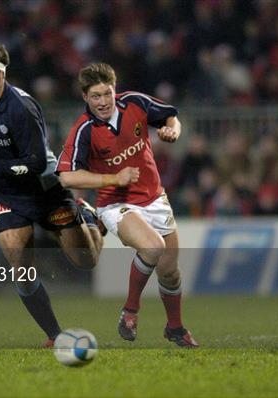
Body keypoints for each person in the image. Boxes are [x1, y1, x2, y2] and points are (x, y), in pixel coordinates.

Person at [0, 41, 103, 347]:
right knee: (21, 269)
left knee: (86, 260)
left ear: (4, 72)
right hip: (7, 194)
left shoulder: (21, 107)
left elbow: (36, 163)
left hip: (45, 189)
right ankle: (54, 335)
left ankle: (88, 215)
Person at [56, 63, 199, 348]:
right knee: (152, 247)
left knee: (170, 271)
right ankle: (130, 310)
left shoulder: (135, 102)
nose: (103, 101)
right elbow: (67, 176)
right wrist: (113, 177)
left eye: (106, 93)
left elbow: (171, 117)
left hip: (155, 197)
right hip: (116, 203)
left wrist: (173, 131)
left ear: (114, 89)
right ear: (85, 97)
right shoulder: (84, 129)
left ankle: (175, 327)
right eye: (95, 96)